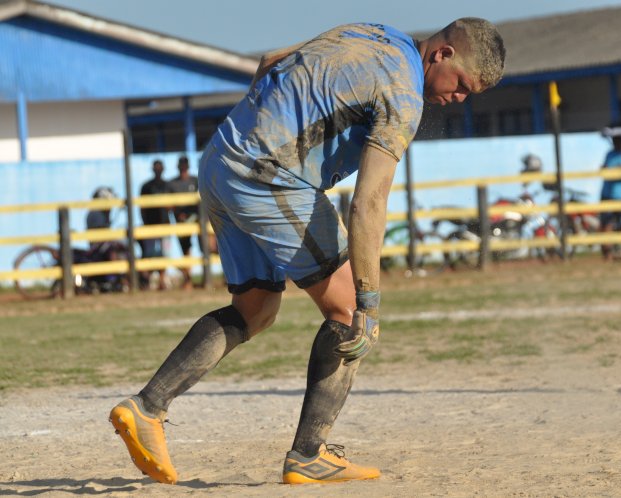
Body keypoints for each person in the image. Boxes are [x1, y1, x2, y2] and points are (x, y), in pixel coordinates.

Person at [109, 19, 506, 485]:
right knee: (349, 310)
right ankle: (308, 455)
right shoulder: (403, 93)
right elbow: (369, 202)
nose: (459, 99)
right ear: (441, 54)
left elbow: (270, 58)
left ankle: (146, 407)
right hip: (270, 177)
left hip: (221, 160)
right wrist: (370, 302)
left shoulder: (372, 31)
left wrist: (260, 130)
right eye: (461, 85)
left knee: (255, 308)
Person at [167, 156, 200, 289]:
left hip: (197, 221)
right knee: (185, 250)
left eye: (184, 166)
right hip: (181, 221)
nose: (183, 169)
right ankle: (188, 280)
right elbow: (168, 204)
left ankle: (198, 279)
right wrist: (178, 213)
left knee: (208, 247)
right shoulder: (172, 184)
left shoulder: (196, 181)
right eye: (181, 166)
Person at [139, 160, 170, 290]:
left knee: (164, 253)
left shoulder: (167, 185)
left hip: (164, 224)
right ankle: (149, 281)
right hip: (150, 225)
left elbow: (171, 206)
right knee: (149, 254)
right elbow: (142, 207)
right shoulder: (146, 186)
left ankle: (162, 280)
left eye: (160, 168)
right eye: (156, 168)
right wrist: (145, 222)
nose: (158, 170)